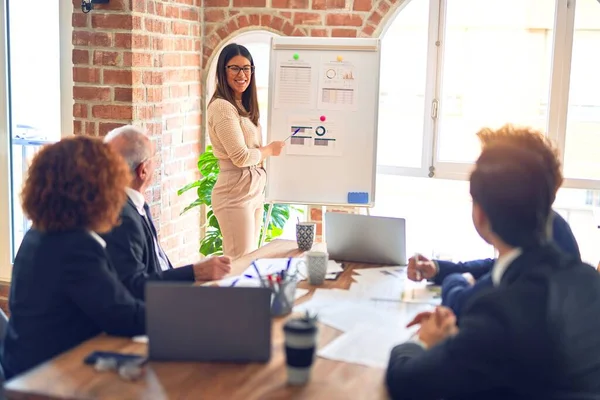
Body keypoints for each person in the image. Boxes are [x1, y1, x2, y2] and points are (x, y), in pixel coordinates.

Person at [386, 143, 600, 400]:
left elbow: (407, 381)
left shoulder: (499, 310)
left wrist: (422, 341)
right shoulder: (589, 280)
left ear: (480, 216)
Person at [0, 136, 146, 380]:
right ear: (96, 191)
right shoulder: (75, 248)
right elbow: (122, 316)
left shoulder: (39, 234)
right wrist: (183, 315)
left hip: (28, 366)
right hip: (49, 380)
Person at [407, 125, 580, 318]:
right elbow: (495, 266)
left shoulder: (540, 256)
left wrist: (458, 280)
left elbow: (463, 304)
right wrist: (439, 268)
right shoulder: (547, 226)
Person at [103, 125, 232, 300]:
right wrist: (195, 272)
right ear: (143, 170)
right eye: (153, 158)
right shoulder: (122, 216)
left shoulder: (134, 203)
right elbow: (133, 286)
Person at [207, 43, 285, 260]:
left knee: (249, 260)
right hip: (234, 192)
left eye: (247, 68)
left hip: (252, 189)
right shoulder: (222, 107)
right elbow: (241, 157)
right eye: (235, 68)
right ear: (223, 71)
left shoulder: (242, 105)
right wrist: (269, 150)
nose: (242, 74)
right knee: (238, 261)